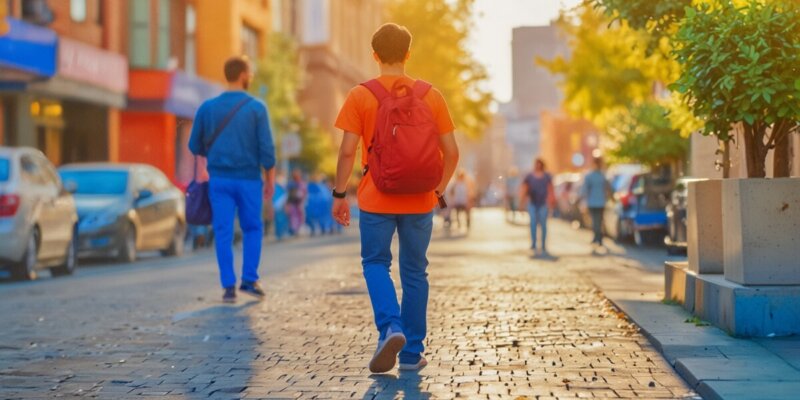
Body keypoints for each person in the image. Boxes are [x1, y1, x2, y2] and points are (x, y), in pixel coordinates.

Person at [331, 23, 460, 373]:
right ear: (407, 54)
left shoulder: (361, 95)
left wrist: (340, 194)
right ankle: (411, 353)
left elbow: (346, 152)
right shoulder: (431, 95)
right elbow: (452, 151)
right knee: (416, 272)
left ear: (374, 55)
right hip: (420, 199)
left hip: (376, 197)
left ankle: (390, 326)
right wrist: (438, 188)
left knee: (375, 263)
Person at [189, 56, 276, 303]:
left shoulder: (207, 108)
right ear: (243, 75)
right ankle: (249, 279)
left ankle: (228, 287)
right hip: (249, 179)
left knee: (223, 231)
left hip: (219, 181)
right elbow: (266, 150)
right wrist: (269, 179)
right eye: (250, 73)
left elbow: (194, 144)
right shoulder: (257, 108)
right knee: (252, 228)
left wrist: (215, 157)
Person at [519, 158, 554, 255]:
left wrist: (551, 203)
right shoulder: (529, 177)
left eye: (540, 164)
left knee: (543, 225)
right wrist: (522, 203)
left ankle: (543, 245)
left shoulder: (547, 177)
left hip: (543, 203)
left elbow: (550, 190)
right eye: (537, 164)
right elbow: (524, 190)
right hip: (532, 203)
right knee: (533, 224)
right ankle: (534, 243)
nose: (538, 166)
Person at [582, 157, 612, 248]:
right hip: (600, 202)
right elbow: (608, 189)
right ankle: (598, 238)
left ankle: (597, 238)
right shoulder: (603, 176)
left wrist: (583, 199)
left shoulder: (590, 176)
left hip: (593, 202)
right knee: (599, 221)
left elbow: (585, 190)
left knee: (595, 221)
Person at [286, 169, 307, 236]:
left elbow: (304, 193)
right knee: (293, 217)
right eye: (295, 175)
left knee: (301, 216)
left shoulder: (302, 183)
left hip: (300, 203)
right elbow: (288, 195)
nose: (296, 177)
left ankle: (299, 230)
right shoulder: (291, 184)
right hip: (293, 203)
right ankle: (294, 230)